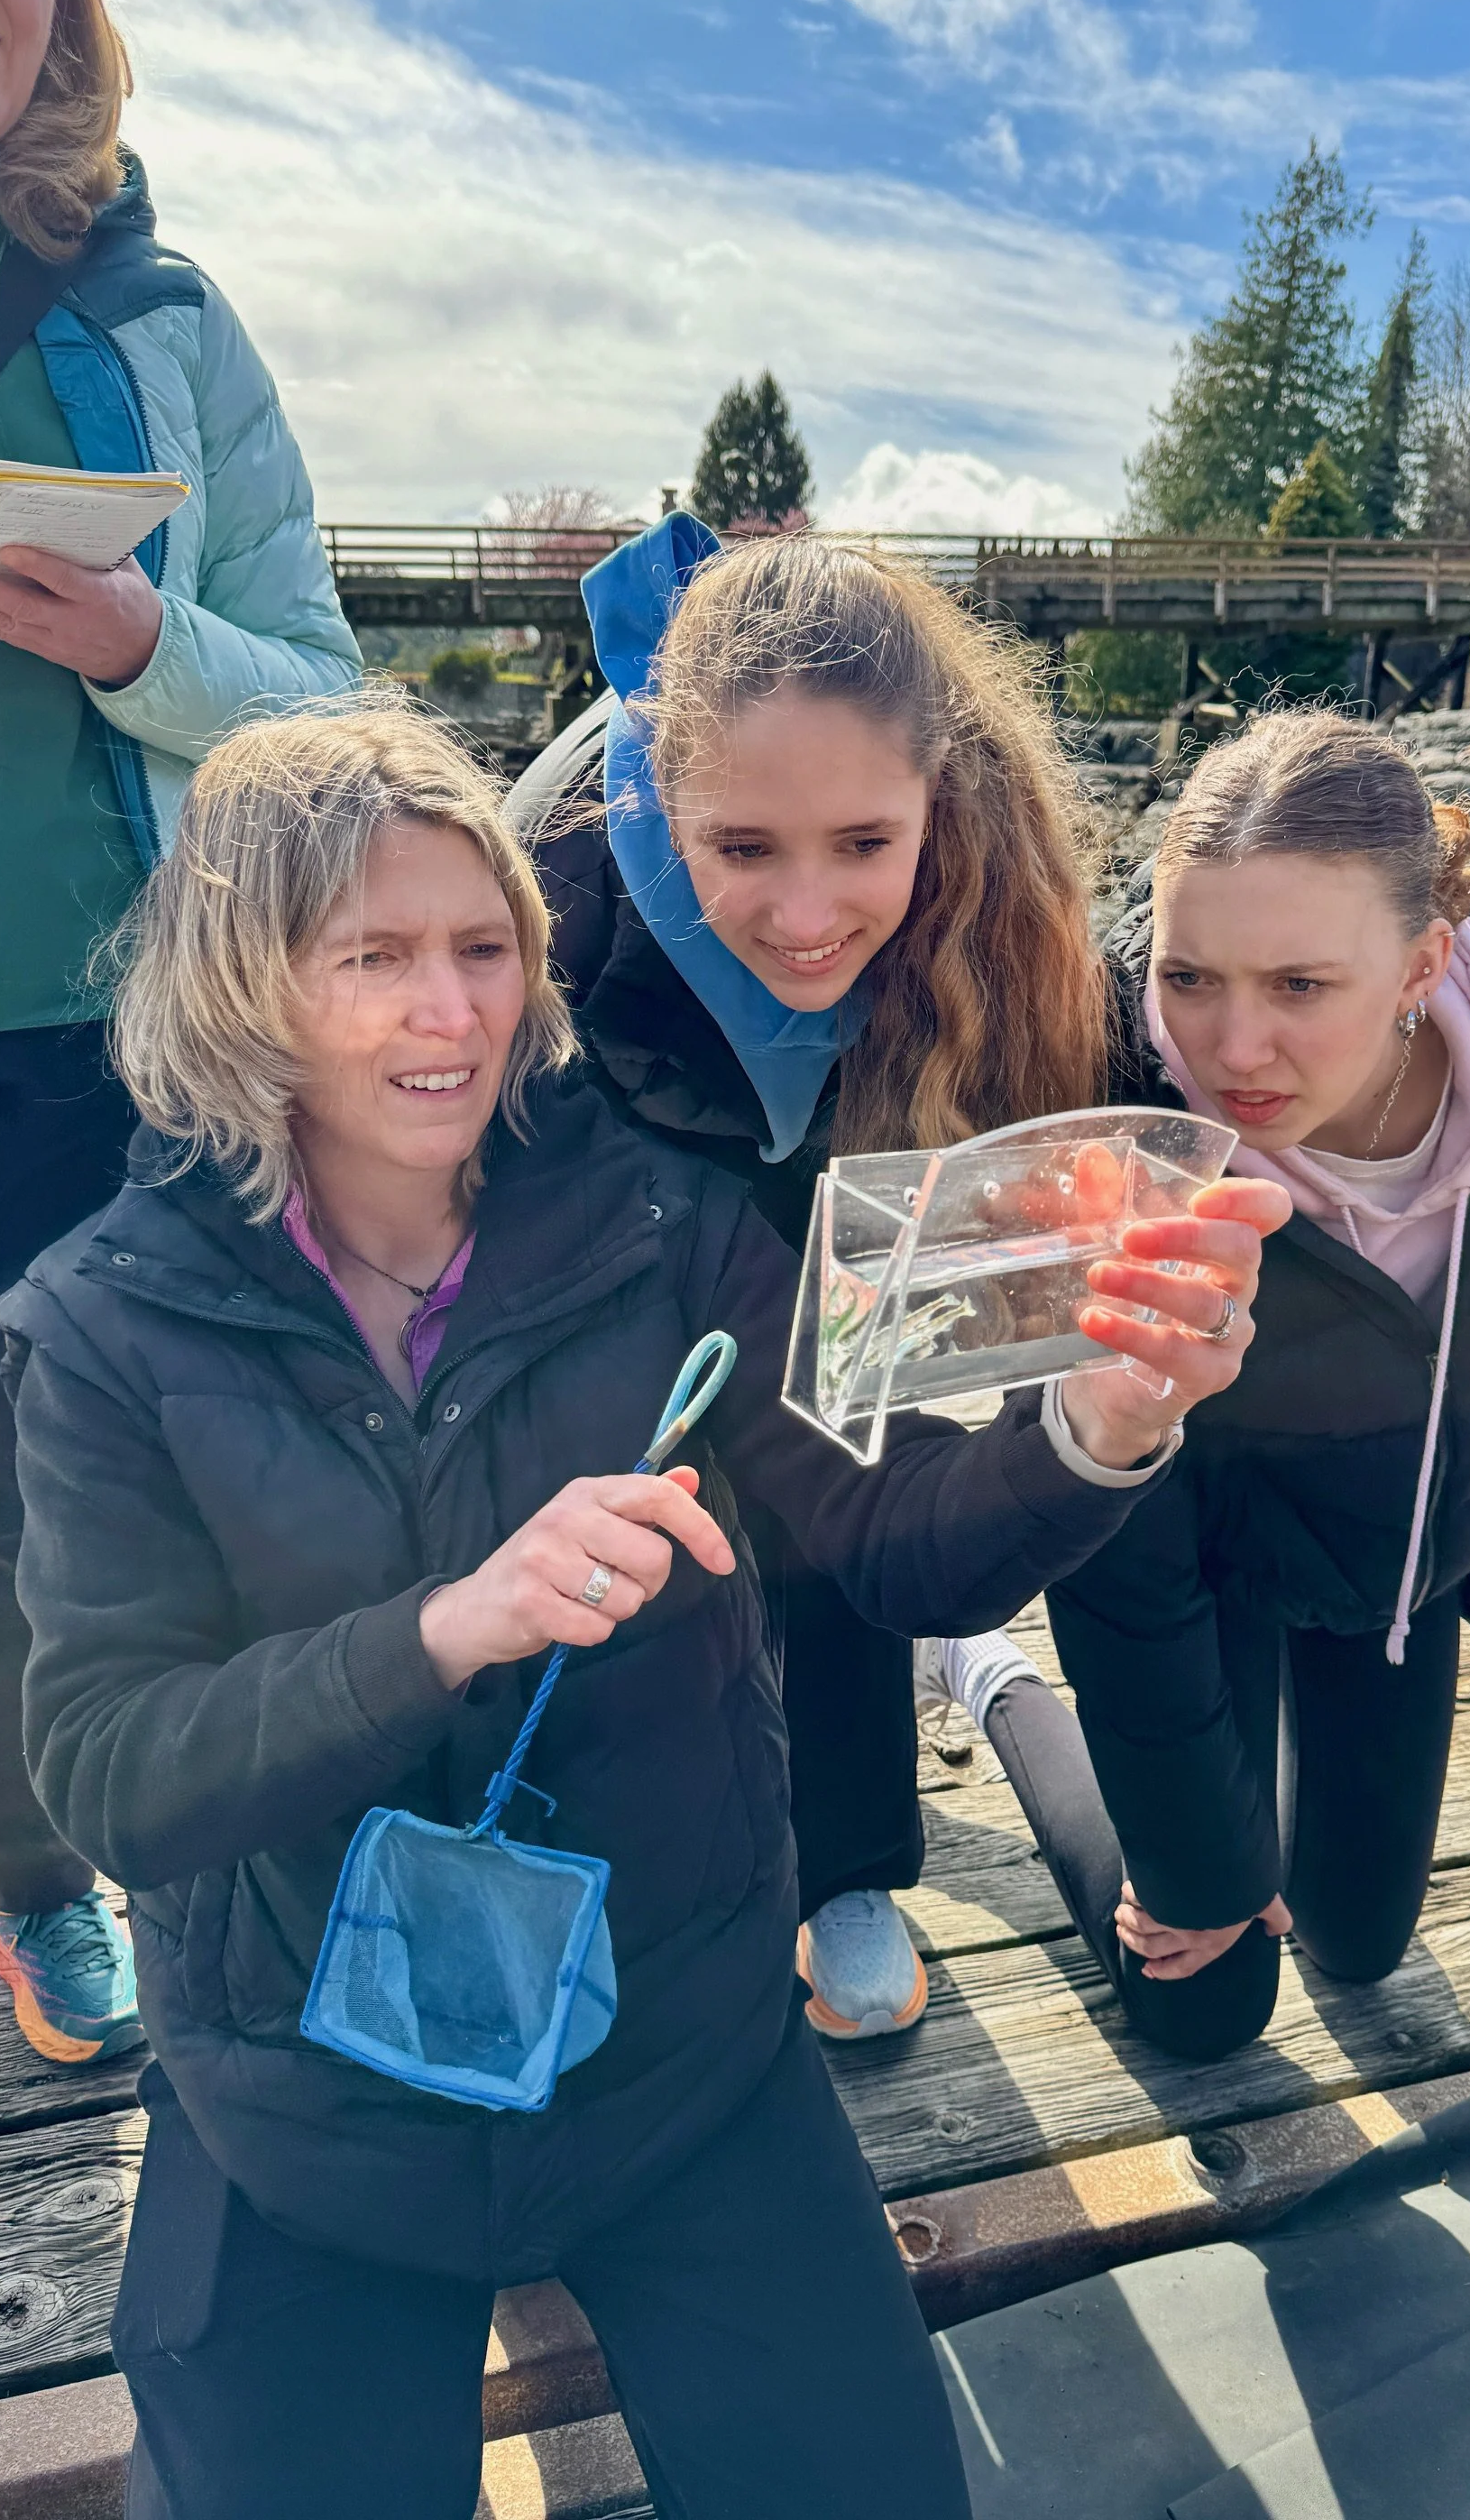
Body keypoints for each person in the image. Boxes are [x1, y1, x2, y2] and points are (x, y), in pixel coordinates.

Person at [0, 701, 1268, 2520]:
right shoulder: (104, 1327)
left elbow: (892, 1546)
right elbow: (116, 1777)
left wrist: (1098, 1427)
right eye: (376, 958)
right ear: (241, 986)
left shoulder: (666, 1227)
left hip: (682, 2055)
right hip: (304, 2106)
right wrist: (447, 1624)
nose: (453, 1013)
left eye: (486, 947)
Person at [507, 512, 1284, 2038]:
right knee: (655, 1479)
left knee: (846, 1461)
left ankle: (851, 1858)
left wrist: (1202, 1836)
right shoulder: (553, 902)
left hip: (861, 1154)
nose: (806, 917)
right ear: (665, 798)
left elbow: (1119, 1361)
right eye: (743, 847)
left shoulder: (1010, 938)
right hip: (635, 1145)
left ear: (941, 799)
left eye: (863, 844)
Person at [0, 0, 359, 2066]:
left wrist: (146, 636)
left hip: (102, 1050)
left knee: (55, 1511)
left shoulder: (173, 316)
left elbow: (323, 684)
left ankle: (32, 1882)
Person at [988, 708, 1470, 2061]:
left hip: (1404, 1567)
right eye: (1193, 977)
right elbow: (1115, 1538)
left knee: (1358, 1954)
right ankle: (990, 1685)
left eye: (1299, 987)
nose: (1233, 1050)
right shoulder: (1110, 1101)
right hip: (1205, 1564)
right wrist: (1198, 1857)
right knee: (1202, 2002)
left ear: (1424, 959)